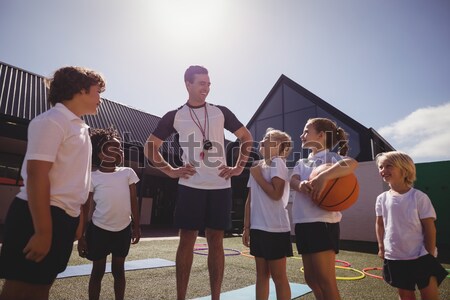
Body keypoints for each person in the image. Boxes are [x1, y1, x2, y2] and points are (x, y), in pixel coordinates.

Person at [144, 65, 252, 300]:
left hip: (220, 186)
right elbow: (150, 147)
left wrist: (239, 167)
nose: (207, 87)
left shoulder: (220, 111)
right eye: (202, 83)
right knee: (187, 240)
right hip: (190, 186)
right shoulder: (175, 116)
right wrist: (171, 171)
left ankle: (216, 297)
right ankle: (180, 297)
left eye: (209, 83)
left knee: (216, 242)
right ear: (188, 84)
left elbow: (246, 138)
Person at [0, 66, 105, 300]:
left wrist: (76, 219)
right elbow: (37, 175)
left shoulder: (80, 128)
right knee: (20, 288)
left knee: (41, 286)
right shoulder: (52, 120)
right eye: (98, 92)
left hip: (62, 218)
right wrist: (43, 231)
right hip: (36, 217)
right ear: (81, 89)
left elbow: (75, 181)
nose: (100, 98)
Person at [289, 117, 358, 300]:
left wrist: (324, 176)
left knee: (326, 279)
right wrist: (301, 184)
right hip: (303, 223)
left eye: (306, 131)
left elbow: (352, 163)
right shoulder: (302, 162)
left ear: (320, 135)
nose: (301, 135)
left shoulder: (331, 158)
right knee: (311, 278)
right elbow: (292, 180)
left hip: (323, 223)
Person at [77, 127, 141, 300]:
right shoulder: (92, 177)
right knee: (97, 272)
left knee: (118, 271)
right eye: (112, 148)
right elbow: (85, 207)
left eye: (119, 148)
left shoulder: (128, 173)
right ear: (100, 154)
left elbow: (133, 201)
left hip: (123, 230)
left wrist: (137, 226)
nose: (118, 151)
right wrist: (81, 236)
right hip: (99, 230)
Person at [375, 151, 448, 300]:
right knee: (405, 294)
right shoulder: (381, 198)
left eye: (389, 166)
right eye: (381, 167)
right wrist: (382, 248)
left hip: (421, 255)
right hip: (395, 256)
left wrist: (429, 252)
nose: (383, 170)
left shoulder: (418, 197)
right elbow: (379, 224)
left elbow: (429, 227)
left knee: (429, 294)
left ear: (405, 169)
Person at [242, 128, 293, 300]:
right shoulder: (258, 166)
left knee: (279, 277)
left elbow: (276, 194)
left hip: (275, 229)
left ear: (277, 145)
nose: (262, 140)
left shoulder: (277, 162)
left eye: (267, 138)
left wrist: (257, 176)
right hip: (258, 228)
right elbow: (250, 200)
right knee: (261, 276)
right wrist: (246, 227)